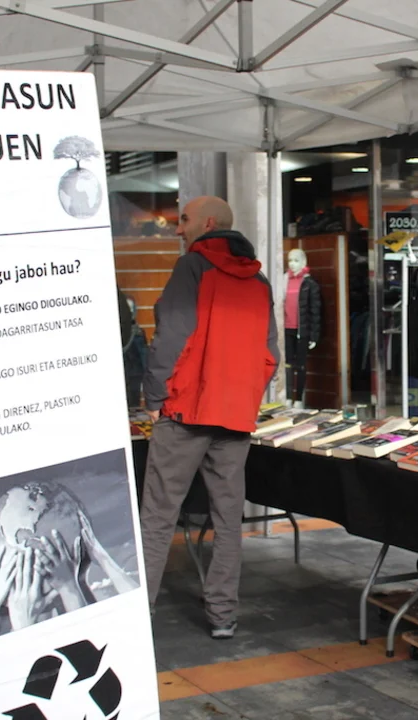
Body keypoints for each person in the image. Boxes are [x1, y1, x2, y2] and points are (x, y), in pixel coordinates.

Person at [139, 196, 279, 639]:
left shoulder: (192, 268)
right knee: (228, 519)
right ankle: (223, 616)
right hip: (234, 417)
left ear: (209, 223)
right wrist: (243, 397)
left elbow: (171, 337)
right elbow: (270, 354)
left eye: (184, 220)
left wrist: (155, 394)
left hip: (186, 412)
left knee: (158, 515)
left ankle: (139, 614)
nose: (178, 229)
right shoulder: (259, 280)